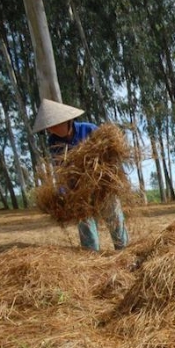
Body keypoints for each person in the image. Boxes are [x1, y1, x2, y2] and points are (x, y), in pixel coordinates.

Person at [31, 99, 129, 252]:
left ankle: (124, 251)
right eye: (48, 127)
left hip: (103, 185)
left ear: (67, 121)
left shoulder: (90, 130)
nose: (50, 130)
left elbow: (111, 155)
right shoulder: (54, 143)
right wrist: (64, 192)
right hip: (79, 190)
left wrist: (116, 177)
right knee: (85, 223)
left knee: (114, 218)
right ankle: (91, 256)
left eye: (53, 125)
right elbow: (61, 169)